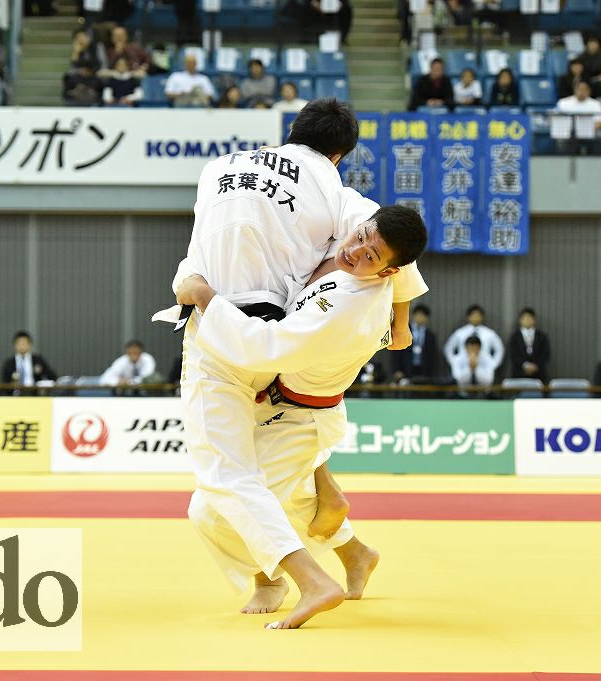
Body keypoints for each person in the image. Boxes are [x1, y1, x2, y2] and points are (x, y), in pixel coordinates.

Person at [157, 99, 427, 630]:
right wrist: (402, 323)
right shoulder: (337, 194)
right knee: (247, 487)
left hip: (248, 348)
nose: (356, 251)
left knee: (221, 485)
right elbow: (393, 242)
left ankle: (287, 576)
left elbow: (203, 249)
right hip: (272, 368)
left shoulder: (219, 168)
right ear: (339, 155)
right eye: (362, 241)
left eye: (371, 256)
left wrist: (197, 292)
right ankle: (347, 547)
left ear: (291, 132)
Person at [443, 305, 504, 387]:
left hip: (483, 364)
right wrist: (453, 361)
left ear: (482, 317)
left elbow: (499, 350)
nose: (475, 317)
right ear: (468, 317)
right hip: (463, 364)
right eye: (473, 315)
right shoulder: (460, 333)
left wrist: (493, 364)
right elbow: (448, 348)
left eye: (478, 315)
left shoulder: (490, 333)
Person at [555, 80, 601, 155]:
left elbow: (600, 122)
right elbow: (558, 119)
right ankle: (566, 159)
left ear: (589, 91)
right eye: (579, 89)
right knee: (561, 139)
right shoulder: (563, 103)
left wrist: (589, 129)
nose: (582, 92)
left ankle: (596, 159)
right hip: (569, 132)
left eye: (584, 90)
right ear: (575, 90)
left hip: (591, 132)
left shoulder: (596, 104)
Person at [392, 304, 438, 384]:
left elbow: (432, 355)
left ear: (426, 318)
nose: (420, 317)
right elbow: (396, 352)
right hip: (405, 367)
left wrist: (431, 373)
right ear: (413, 316)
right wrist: (396, 369)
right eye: (418, 315)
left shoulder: (430, 335)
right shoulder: (404, 331)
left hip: (423, 369)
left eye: (423, 316)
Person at [508, 307, 550, 383]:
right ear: (520, 320)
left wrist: (536, 365)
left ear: (534, 320)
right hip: (519, 373)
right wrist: (525, 365)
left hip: (539, 374)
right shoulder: (514, 336)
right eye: (524, 318)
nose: (527, 320)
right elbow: (513, 354)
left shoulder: (542, 336)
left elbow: (545, 353)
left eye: (530, 317)